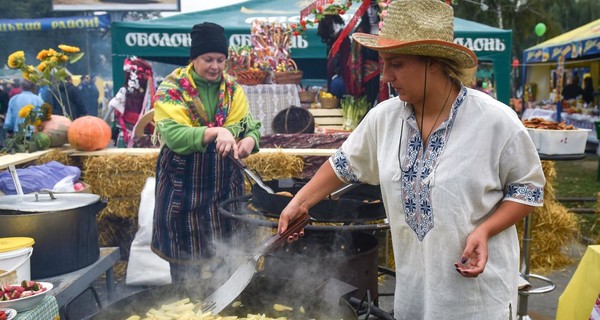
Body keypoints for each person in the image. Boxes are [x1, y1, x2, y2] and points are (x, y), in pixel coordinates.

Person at [277, 1, 545, 319]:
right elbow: (343, 164)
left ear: (435, 61)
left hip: (475, 300)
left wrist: (484, 231)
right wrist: (301, 201)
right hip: (414, 298)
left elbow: (528, 191)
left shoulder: (495, 121)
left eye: (397, 64)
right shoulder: (384, 118)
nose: (386, 75)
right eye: (384, 63)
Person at [151, 22, 261, 283]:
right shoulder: (172, 89)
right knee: (186, 272)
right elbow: (175, 136)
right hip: (182, 186)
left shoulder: (233, 90)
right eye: (208, 59)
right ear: (194, 58)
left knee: (227, 259)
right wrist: (216, 132)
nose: (215, 66)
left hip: (224, 184)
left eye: (221, 60)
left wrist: (249, 141)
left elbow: (251, 126)